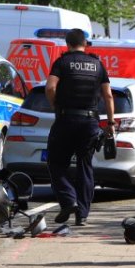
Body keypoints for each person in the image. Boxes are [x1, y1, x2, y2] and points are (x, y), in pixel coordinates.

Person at [44, 28, 114, 226]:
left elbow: (50, 87)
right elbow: (108, 95)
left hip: (66, 120)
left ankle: (68, 200)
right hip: (90, 123)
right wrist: (110, 123)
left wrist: (55, 105)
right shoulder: (98, 65)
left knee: (57, 163)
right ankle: (82, 214)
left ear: (67, 43)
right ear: (85, 43)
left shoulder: (62, 62)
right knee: (85, 166)